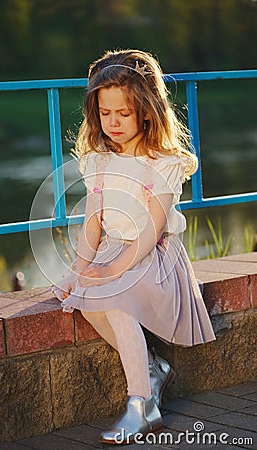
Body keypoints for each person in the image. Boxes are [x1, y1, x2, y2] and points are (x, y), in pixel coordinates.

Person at [52, 49, 215, 445]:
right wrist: (80, 267)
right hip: (114, 248)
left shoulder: (162, 161)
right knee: (79, 292)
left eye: (122, 113)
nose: (113, 123)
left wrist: (112, 271)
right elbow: (93, 220)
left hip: (153, 256)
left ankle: (141, 404)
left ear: (145, 109)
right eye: (105, 114)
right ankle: (152, 368)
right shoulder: (99, 159)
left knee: (114, 296)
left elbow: (151, 229)